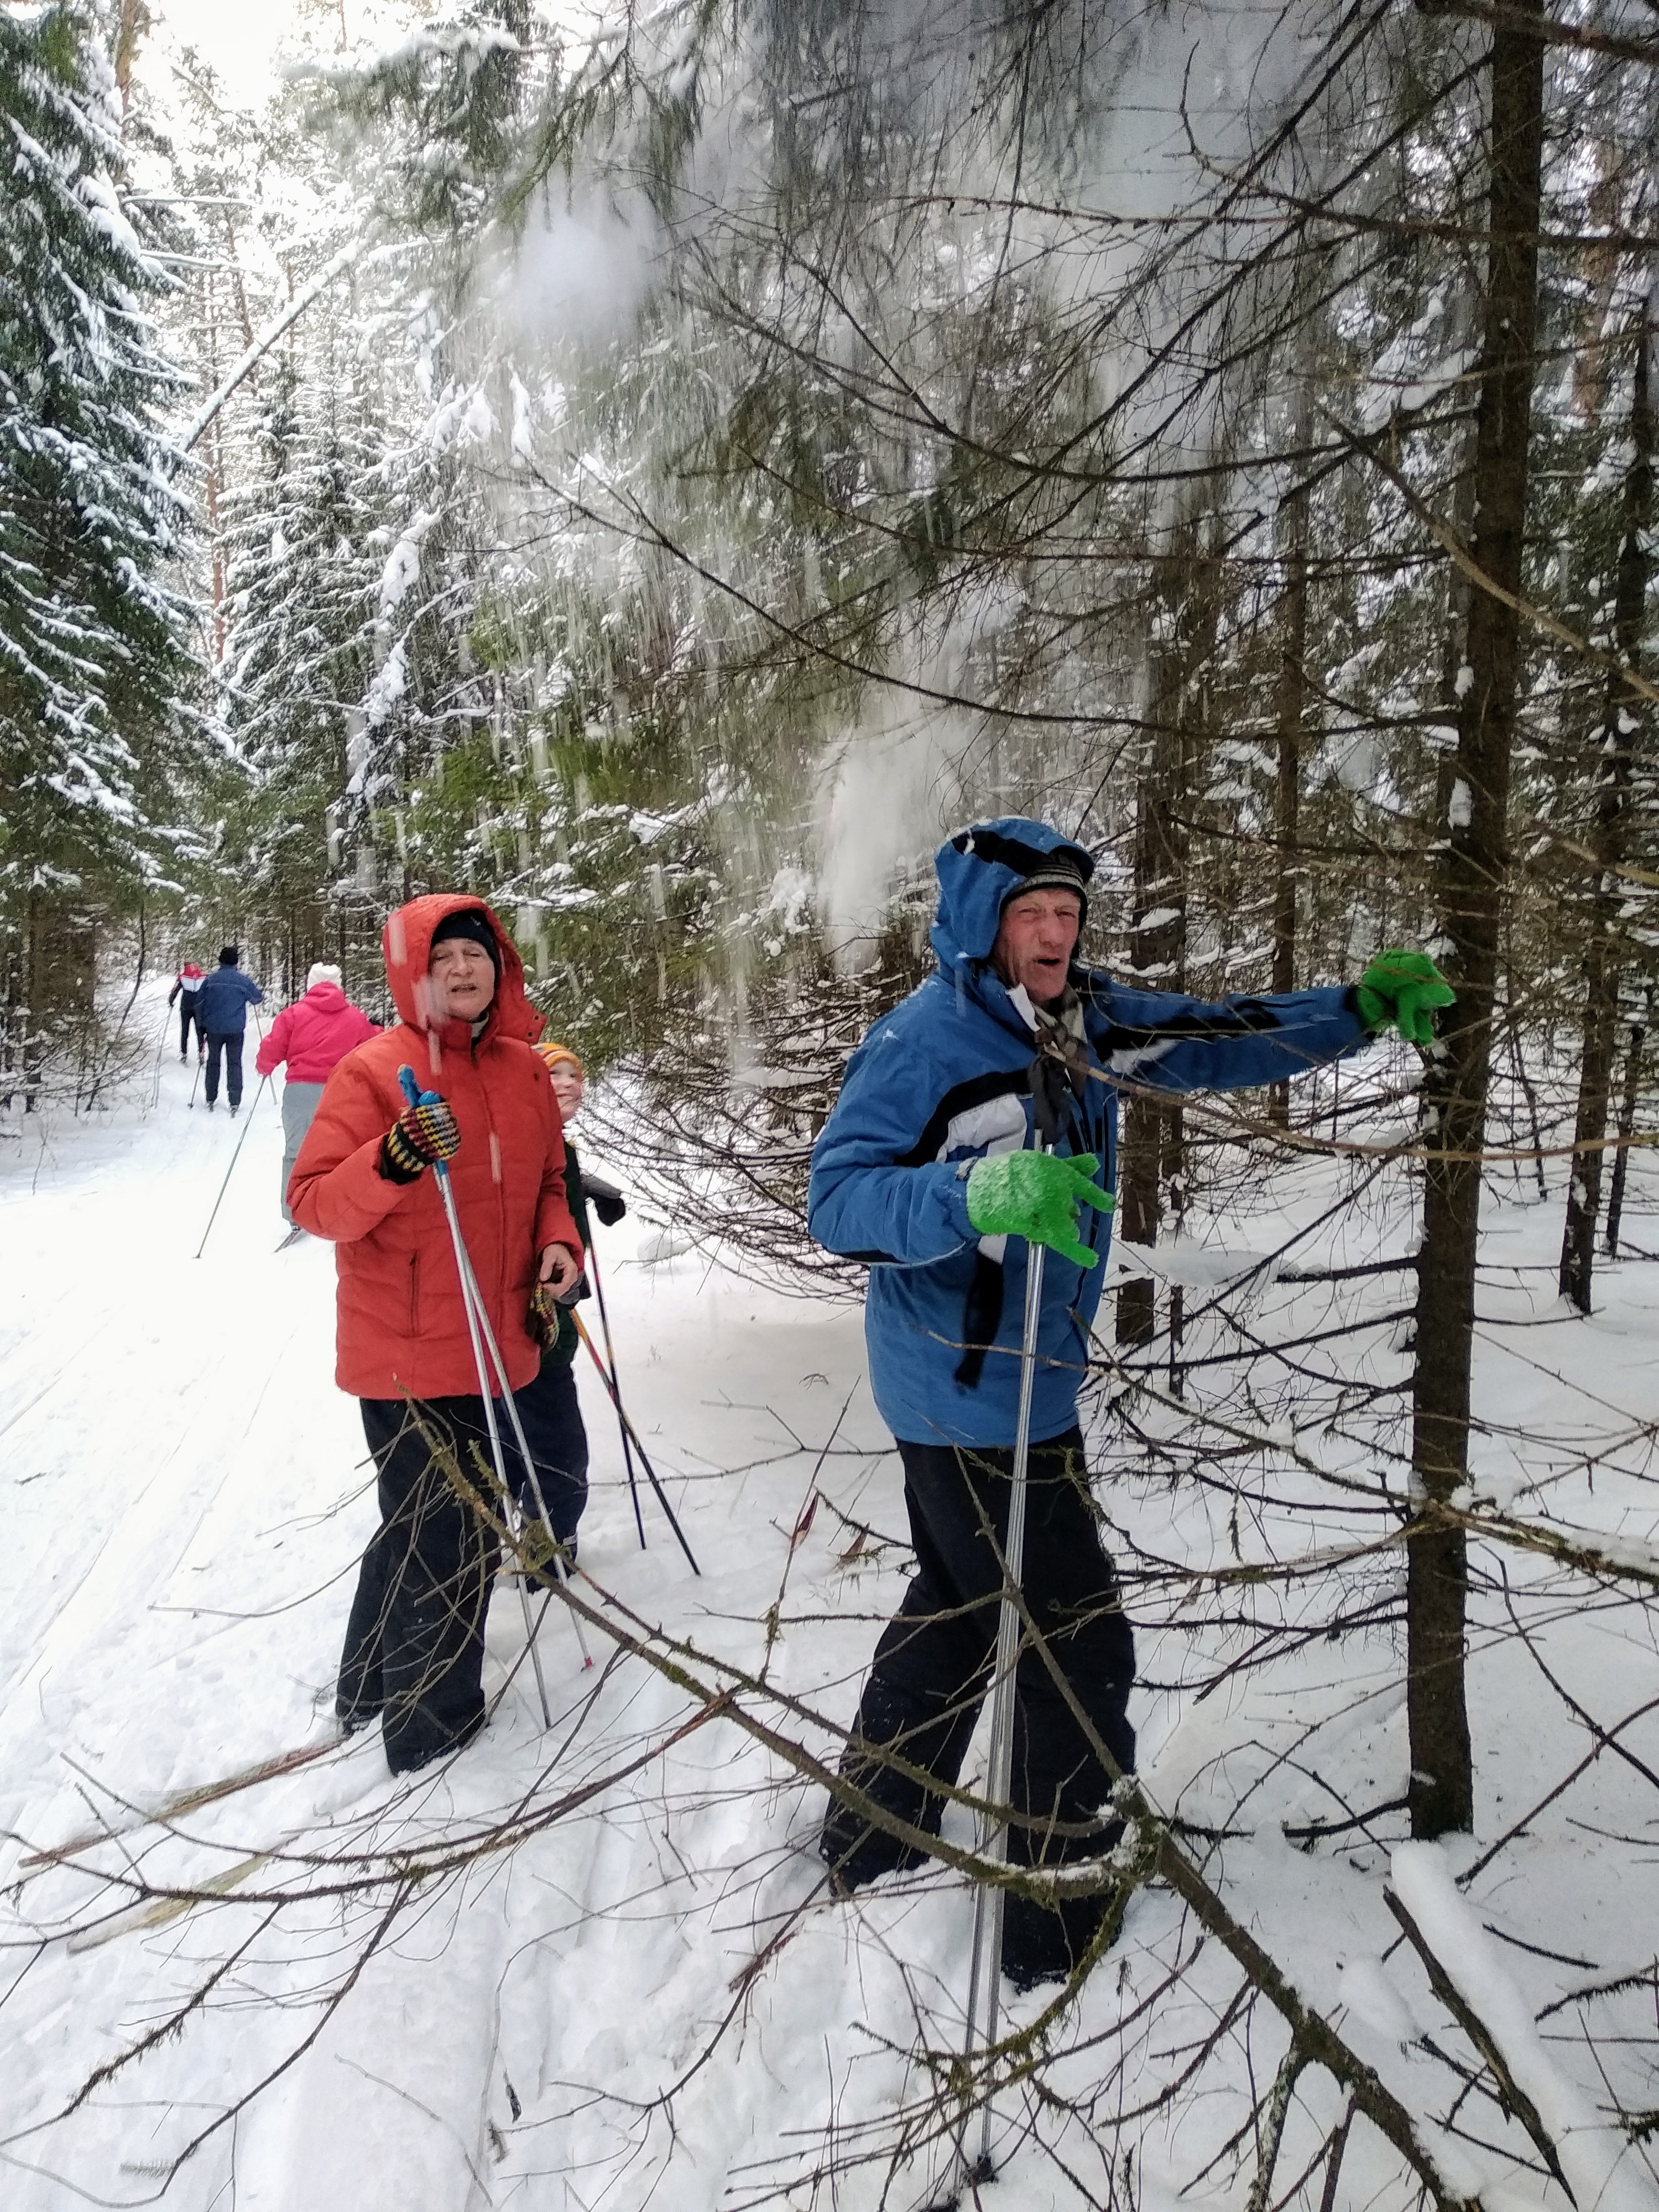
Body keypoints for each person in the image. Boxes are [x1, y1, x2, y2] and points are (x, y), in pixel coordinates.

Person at [806, 817, 1453, 1987]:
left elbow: (1222, 1033)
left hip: (1027, 1379)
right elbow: (839, 1202)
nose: (1054, 933)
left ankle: (873, 1827)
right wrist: (974, 1191)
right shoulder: (924, 1042)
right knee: (1076, 1637)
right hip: (961, 1386)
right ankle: (1057, 1909)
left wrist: (1355, 1007)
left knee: (962, 1598)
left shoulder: (1088, 1022)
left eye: (1066, 913)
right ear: (981, 926)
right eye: (1030, 915)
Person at [288, 898, 584, 1775]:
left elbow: (547, 1180)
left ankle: (368, 1685)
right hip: (408, 1351)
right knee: (449, 1538)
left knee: (418, 1525)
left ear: (502, 969)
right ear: (412, 973)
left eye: (478, 956)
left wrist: (558, 1243)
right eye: (444, 957)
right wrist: (394, 1158)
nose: (464, 971)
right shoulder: (373, 1072)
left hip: (497, 1343)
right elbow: (313, 1204)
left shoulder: (526, 1072)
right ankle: (431, 1730)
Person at [512, 1042, 628, 1558]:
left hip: (551, 1331)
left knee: (537, 1442)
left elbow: (556, 1178)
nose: (568, 1083)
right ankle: (548, 1543)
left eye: (574, 1075)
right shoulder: (521, 1145)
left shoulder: (559, 1145)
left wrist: (585, 1185)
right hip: (526, 1332)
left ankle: (540, 1529)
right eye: (551, 1074)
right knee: (554, 1447)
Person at [255, 963, 379, 1227]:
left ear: (311, 984)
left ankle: (294, 1214)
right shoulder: (355, 1018)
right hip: (340, 1091)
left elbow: (272, 1047)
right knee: (339, 1152)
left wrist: (264, 1066)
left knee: (296, 1153)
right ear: (339, 986)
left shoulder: (293, 1015)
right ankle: (338, 1210)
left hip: (300, 1091)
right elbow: (372, 1045)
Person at [194, 945, 264, 1113]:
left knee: (213, 1062)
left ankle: (211, 1098)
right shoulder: (243, 981)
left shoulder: (210, 980)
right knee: (234, 1063)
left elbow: (199, 1004)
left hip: (213, 1029)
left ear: (220, 961)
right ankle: (235, 1100)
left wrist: (201, 1026)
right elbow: (257, 998)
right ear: (236, 962)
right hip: (235, 1030)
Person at [167, 961, 206, 1062]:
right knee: (200, 1032)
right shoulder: (203, 977)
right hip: (199, 1008)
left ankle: (184, 1053)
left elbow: (175, 990)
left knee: (185, 1031)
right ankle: (201, 1054)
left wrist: (171, 1001)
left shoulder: (183, 977)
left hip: (185, 1007)